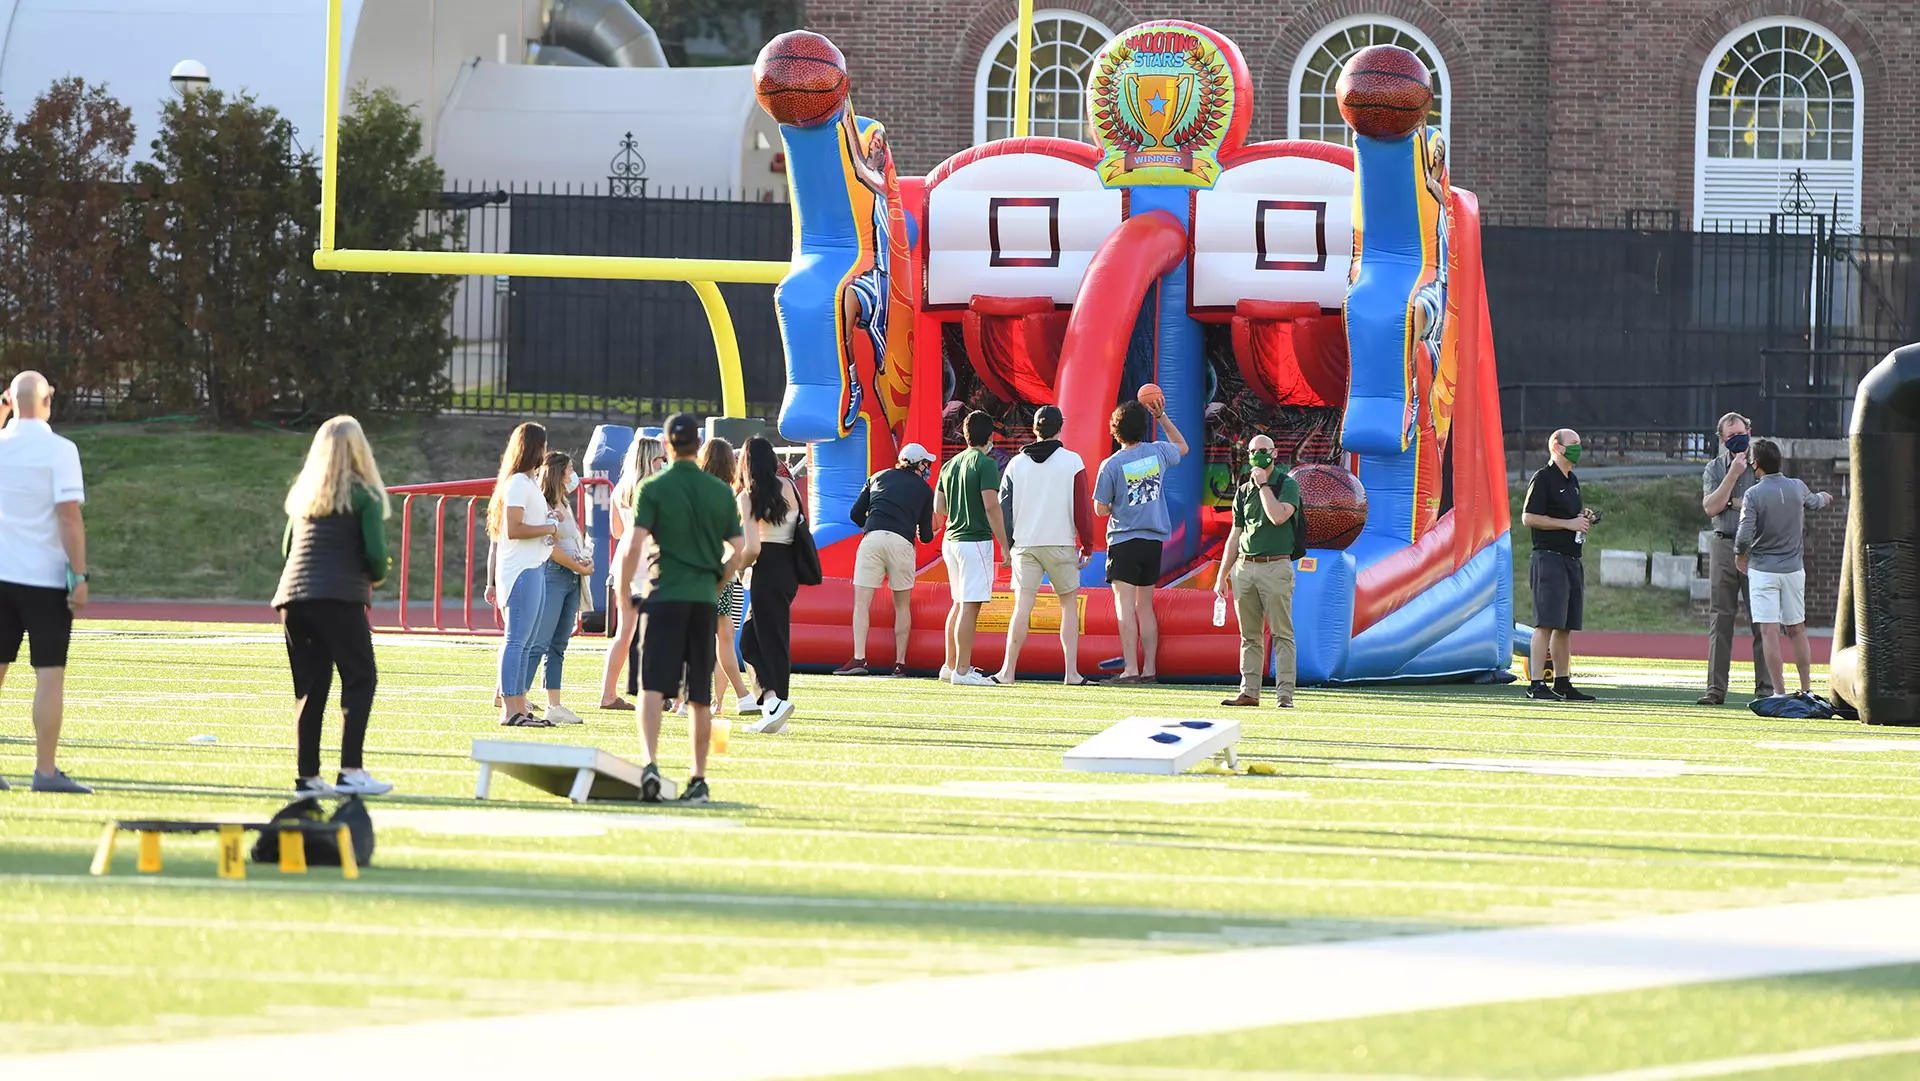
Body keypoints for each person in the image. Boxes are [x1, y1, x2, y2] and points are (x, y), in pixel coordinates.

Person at [612, 413, 745, 805]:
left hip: (663, 593)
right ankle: (698, 777)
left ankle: (650, 764)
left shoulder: (653, 487)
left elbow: (633, 543)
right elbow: (740, 550)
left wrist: (623, 590)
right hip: (703, 597)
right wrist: (717, 580)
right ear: (697, 448)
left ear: (667, 446)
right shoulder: (720, 491)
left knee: (652, 686)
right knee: (699, 692)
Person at [269, 416, 395, 796]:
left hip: (293, 597)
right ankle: (351, 770)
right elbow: (375, 554)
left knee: (310, 688)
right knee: (359, 678)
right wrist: (377, 575)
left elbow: (287, 550)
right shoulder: (365, 496)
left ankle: (307, 778)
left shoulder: (304, 498)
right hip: (338, 596)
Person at [0, 371, 91, 793]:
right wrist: (80, 575)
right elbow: (69, 517)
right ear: (49, 398)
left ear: (10, 400)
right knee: (49, 674)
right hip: (44, 578)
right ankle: (45, 770)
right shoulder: (60, 450)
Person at [992, 405, 1094, 686]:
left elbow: (1005, 508)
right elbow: (1082, 507)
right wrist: (1087, 544)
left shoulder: (1015, 464)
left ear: (1034, 429)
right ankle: (1071, 673)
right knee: (1068, 607)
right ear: (1061, 427)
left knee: (1022, 607)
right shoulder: (1072, 461)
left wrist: (1010, 543)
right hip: (1061, 543)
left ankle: (1007, 671)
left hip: (1025, 544)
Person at [1092, 398, 1188, 684]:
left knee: (1124, 606)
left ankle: (1130, 669)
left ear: (1115, 430)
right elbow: (1182, 446)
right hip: (1153, 540)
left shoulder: (1111, 464)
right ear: (1144, 428)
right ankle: (1150, 670)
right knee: (1145, 606)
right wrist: (1163, 417)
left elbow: (1100, 508)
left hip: (1124, 540)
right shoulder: (1157, 452)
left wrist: (1115, 506)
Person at [1735, 438, 1834, 701]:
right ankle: (1806, 688)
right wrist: (1825, 497)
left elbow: (1744, 534)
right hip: (1793, 569)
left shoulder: (1753, 494)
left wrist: (1739, 555)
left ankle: (1778, 692)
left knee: (1769, 631)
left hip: (1763, 570)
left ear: (1756, 464)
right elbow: (1814, 502)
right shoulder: (1797, 487)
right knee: (1797, 629)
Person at [1214, 434, 1305, 709]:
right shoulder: (1243, 491)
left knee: (1281, 633)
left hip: (1276, 566)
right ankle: (1249, 691)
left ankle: (1285, 694)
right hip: (1246, 566)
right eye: (1252, 451)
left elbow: (1278, 517)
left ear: (1274, 453)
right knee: (1249, 635)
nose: (1256, 455)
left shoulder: (1286, 484)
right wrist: (1222, 574)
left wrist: (1263, 485)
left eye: (1262, 451)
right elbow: (1235, 534)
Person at [837, 443, 936, 677]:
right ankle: (899, 663)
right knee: (902, 605)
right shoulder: (924, 489)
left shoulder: (877, 477)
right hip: (902, 542)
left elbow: (855, 514)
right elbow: (927, 535)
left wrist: (872, 526)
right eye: (926, 463)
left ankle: (859, 658)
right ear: (918, 465)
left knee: (862, 603)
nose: (928, 467)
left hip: (872, 538)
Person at [489, 422, 564, 728]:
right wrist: (549, 527)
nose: (545, 452)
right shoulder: (519, 482)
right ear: (535, 447)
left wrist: (549, 519)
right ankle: (510, 710)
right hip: (522, 570)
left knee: (528, 640)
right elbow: (514, 528)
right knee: (517, 641)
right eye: (543, 445)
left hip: (533, 566)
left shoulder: (527, 482)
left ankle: (520, 707)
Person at [1698, 412, 1773, 706]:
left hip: (1757, 548)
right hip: (1723, 545)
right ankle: (1716, 690)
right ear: (1721, 439)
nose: (1736, 439)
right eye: (1730, 436)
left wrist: (1734, 503)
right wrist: (1732, 480)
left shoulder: (1763, 464)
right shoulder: (1715, 468)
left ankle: (1766, 689)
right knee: (1721, 618)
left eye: (1740, 433)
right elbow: (1711, 507)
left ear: (1750, 432)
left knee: (1762, 619)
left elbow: (1769, 504)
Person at [1520, 428, 1598, 703]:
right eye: (1573, 443)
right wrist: (1567, 524)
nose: (1579, 447)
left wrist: (1582, 517)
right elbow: (1529, 517)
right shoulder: (1543, 478)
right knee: (1546, 624)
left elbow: (1568, 516)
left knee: (1565, 625)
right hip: (1549, 558)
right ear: (1557, 447)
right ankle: (1537, 683)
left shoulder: (1572, 479)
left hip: (1571, 560)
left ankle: (1563, 682)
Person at [934, 411, 1009, 686]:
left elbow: (939, 508)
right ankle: (962, 671)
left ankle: (950, 664)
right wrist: (1005, 546)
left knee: (957, 604)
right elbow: (991, 506)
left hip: (951, 540)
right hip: (974, 539)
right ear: (989, 437)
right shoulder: (985, 464)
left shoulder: (950, 464)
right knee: (969, 606)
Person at [523, 451, 593, 726]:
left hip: (571, 577)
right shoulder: (543, 504)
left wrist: (582, 560)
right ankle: (518, 698)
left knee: (558, 645)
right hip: (554, 575)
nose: (573, 473)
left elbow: (570, 539)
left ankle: (554, 705)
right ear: (558, 472)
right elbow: (548, 548)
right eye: (570, 468)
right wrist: (577, 565)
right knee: (538, 642)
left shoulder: (563, 501)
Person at [737, 436, 801, 732]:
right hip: (789, 567)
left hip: (766, 569)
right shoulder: (788, 486)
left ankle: (774, 703)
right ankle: (774, 706)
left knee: (751, 641)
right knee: (773, 639)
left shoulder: (748, 495)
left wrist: (738, 569)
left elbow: (752, 547)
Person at [599, 435, 666, 710]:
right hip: (650, 559)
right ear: (651, 459)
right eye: (661, 458)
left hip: (625, 558)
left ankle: (608, 693)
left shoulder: (621, 489)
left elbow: (616, 532)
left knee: (624, 633)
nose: (664, 462)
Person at [698, 438, 757, 717]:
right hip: (723, 572)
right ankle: (738, 696)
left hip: (703, 571)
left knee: (719, 637)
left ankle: (716, 701)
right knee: (725, 637)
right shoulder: (727, 494)